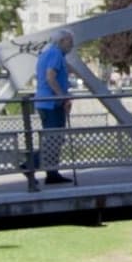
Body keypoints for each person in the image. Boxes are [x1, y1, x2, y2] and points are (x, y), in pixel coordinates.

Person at [30, 30, 75, 185]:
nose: (72, 45)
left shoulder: (47, 53)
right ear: (62, 41)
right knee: (53, 139)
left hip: (45, 102)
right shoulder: (56, 54)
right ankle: (29, 165)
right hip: (51, 104)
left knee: (53, 139)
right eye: (70, 41)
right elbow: (50, 76)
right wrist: (62, 96)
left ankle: (52, 173)